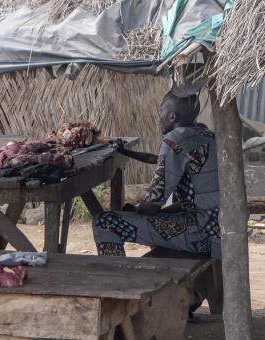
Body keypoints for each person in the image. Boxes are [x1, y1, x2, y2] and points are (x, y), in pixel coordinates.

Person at [93, 92, 221, 257]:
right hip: (219, 228)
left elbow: (152, 205)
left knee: (104, 221)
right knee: (159, 214)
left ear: (172, 116)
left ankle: (117, 278)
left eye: (161, 111)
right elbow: (157, 160)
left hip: (202, 233)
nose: (158, 117)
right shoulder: (207, 135)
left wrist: (137, 210)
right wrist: (126, 152)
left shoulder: (175, 140)